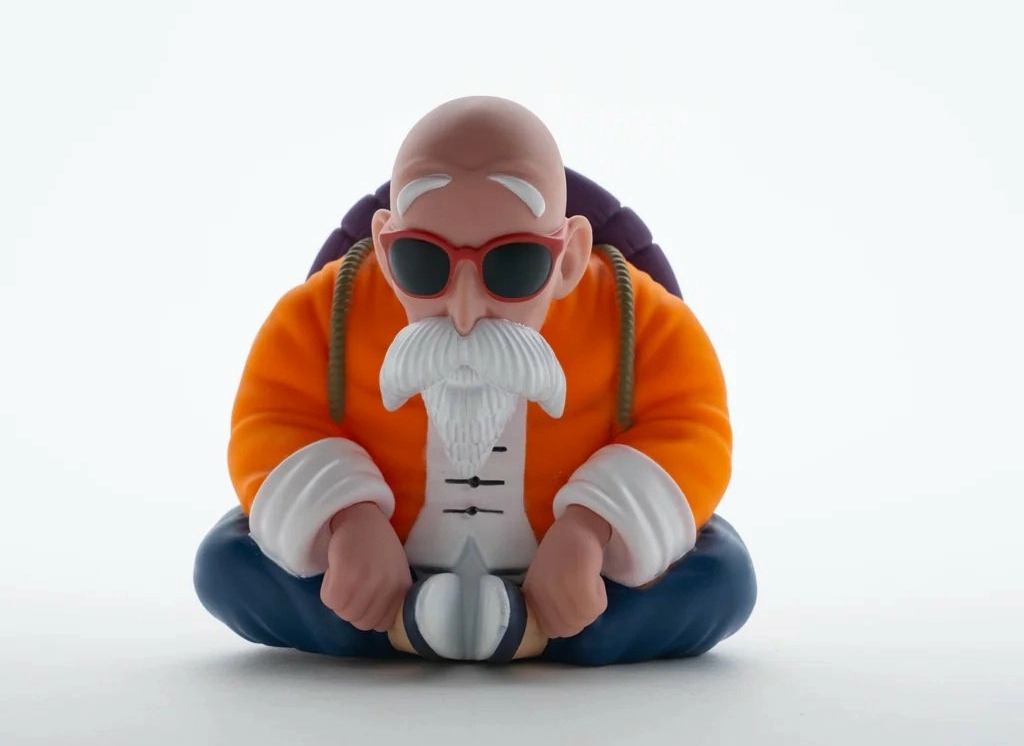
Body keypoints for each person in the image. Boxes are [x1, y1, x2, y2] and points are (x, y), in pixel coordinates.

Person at [194, 96, 756, 664]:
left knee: (724, 578)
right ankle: (397, 619)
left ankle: (547, 623)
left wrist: (595, 526)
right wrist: (345, 517)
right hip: (381, 567)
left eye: (513, 265)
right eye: (423, 263)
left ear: (567, 259)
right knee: (225, 564)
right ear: (386, 248)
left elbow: (690, 427)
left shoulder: (638, 319)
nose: (464, 312)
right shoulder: (324, 312)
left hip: (574, 576)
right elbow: (273, 419)